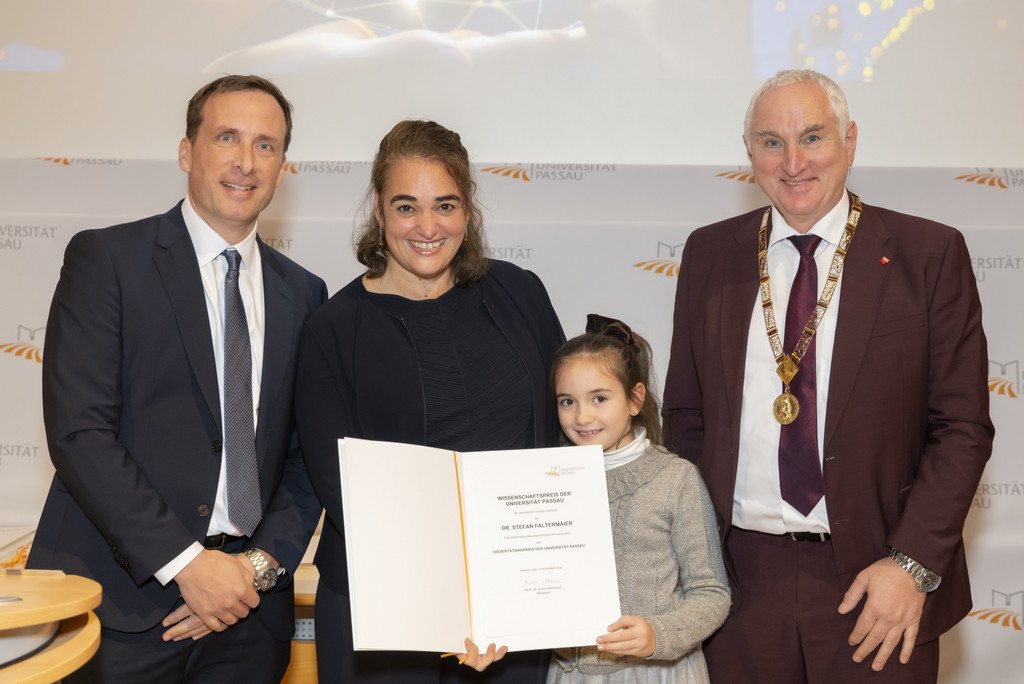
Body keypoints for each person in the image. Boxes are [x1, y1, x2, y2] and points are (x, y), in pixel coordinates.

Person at [663, 69, 993, 682]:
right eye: (770, 142)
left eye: (812, 137)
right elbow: (686, 416)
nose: (793, 163)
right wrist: (696, 559)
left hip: (878, 582)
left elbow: (963, 428)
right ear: (748, 153)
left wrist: (912, 565)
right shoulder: (710, 253)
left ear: (851, 140)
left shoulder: (928, 254)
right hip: (737, 586)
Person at [28, 75, 327, 682]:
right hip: (118, 608)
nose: (247, 161)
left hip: (248, 618)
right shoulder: (108, 261)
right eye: (227, 138)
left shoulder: (304, 293)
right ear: (187, 151)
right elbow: (80, 433)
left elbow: (306, 459)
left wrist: (253, 572)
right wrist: (189, 565)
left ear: (283, 167)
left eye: (266, 145)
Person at [294, 119, 566, 683]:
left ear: (468, 210)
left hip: (514, 614)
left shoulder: (521, 293)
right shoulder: (332, 328)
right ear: (378, 210)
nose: (427, 226)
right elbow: (338, 484)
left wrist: (512, 594)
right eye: (406, 206)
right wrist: (449, 604)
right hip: (385, 616)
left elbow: (561, 440)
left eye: (445, 205)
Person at [547, 314, 730, 684]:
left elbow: (711, 592)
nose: (582, 416)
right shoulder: (547, 480)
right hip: (574, 674)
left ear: (634, 399)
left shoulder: (675, 479)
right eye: (567, 401)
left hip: (658, 672)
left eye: (599, 398)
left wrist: (657, 635)